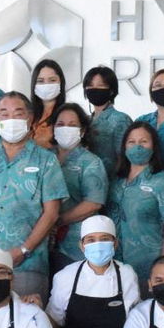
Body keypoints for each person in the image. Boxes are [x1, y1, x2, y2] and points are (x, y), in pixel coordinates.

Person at [0, 92, 69, 301]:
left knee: (28, 323)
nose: (11, 119)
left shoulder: (46, 160)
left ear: (30, 119)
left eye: (18, 114)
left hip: (28, 263)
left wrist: (23, 250)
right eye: (4, 113)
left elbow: (52, 212)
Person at [109, 121, 164, 281]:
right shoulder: (116, 181)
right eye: (132, 142)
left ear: (153, 146)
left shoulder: (163, 180)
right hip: (114, 265)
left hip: (149, 264)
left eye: (144, 141)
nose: (137, 146)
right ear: (124, 147)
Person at [49, 102, 108, 269]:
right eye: (60, 124)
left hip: (73, 246)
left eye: (72, 125)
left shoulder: (91, 162)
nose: (65, 129)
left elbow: (93, 203)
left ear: (82, 131)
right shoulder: (43, 157)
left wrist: (56, 221)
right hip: (40, 245)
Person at [82, 65, 133, 178]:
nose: (94, 89)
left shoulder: (121, 120)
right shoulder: (85, 120)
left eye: (101, 85)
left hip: (109, 182)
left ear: (111, 90)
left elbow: (124, 159)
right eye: (90, 86)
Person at [28, 58, 67, 149]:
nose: (46, 85)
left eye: (52, 80)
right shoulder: (27, 113)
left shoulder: (67, 115)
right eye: (40, 81)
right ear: (34, 84)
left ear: (61, 83)